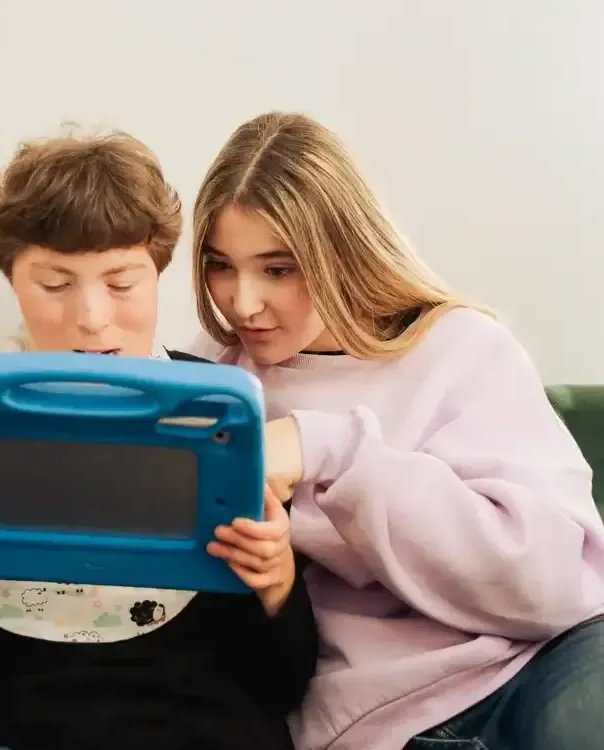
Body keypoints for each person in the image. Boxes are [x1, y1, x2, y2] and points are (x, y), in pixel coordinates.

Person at [0, 131, 319, 750]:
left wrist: (277, 584)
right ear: (13, 282)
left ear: (158, 273)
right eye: (55, 285)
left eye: (122, 283)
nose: (93, 318)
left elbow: (281, 685)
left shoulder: (218, 413)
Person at [176, 111, 604, 750]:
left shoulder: (459, 348)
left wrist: (333, 451)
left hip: (536, 662)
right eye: (220, 266)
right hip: (381, 718)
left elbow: (559, 585)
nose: (243, 302)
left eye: (278, 268)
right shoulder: (210, 380)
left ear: (341, 251)